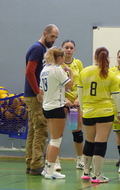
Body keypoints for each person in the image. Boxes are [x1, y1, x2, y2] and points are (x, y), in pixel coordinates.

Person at [78, 47, 120, 183]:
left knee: (89, 141)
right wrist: (119, 113)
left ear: (94, 57)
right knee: (100, 143)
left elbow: (79, 94)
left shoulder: (84, 72)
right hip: (105, 112)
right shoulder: (111, 75)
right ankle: (97, 175)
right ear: (107, 58)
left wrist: (82, 109)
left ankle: (86, 172)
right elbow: (116, 97)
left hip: (88, 111)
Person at [24, 24, 59, 175]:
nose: (53, 40)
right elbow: (30, 71)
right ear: (45, 33)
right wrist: (38, 91)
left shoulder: (41, 49)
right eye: (52, 36)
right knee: (41, 130)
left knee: (33, 130)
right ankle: (37, 163)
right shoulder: (38, 48)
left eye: (56, 37)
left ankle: (31, 162)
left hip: (32, 95)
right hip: (35, 96)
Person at [37, 46, 74, 179]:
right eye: (62, 56)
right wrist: (70, 72)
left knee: (52, 139)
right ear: (59, 57)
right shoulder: (57, 70)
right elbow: (70, 85)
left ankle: (47, 168)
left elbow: (41, 91)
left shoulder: (44, 70)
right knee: (56, 140)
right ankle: (50, 170)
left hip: (46, 107)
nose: (64, 59)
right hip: (56, 107)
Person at [52, 39, 85, 171]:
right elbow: (55, 84)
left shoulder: (78, 63)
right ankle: (55, 160)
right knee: (58, 133)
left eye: (71, 47)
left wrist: (78, 98)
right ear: (62, 49)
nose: (69, 50)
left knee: (76, 130)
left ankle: (80, 159)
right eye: (66, 47)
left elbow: (82, 82)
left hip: (74, 103)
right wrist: (64, 98)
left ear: (74, 50)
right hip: (61, 101)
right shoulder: (57, 65)